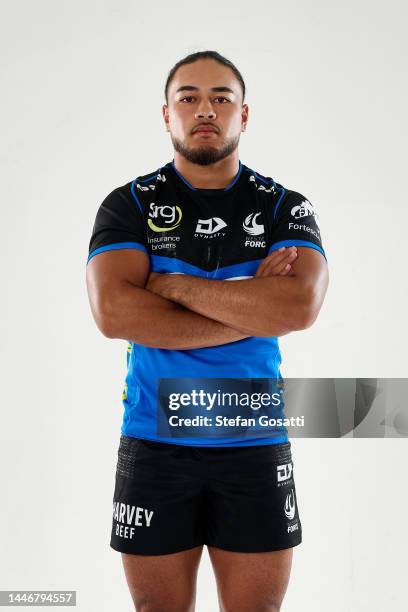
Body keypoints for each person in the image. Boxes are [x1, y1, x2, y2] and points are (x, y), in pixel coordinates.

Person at [86, 50, 329, 612]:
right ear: (166, 114)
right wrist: (248, 310)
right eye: (188, 97)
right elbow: (114, 314)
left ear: (243, 116)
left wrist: (168, 286)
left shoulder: (283, 207)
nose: (205, 109)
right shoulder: (128, 205)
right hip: (154, 440)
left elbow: (297, 307)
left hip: (254, 440)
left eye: (222, 98)